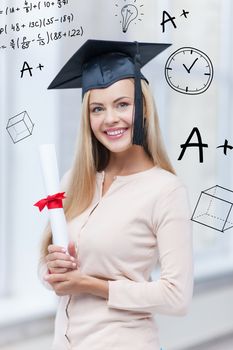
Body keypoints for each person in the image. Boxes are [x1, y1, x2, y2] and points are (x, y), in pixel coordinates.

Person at [38, 39, 194, 350]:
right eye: (98, 108)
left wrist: (91, 285)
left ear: (144, 107)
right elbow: (47, 270)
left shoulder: (164, 190)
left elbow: (177, 297)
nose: (110, 119)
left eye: (122, 104)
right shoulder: (75, 180)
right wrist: (53, 269)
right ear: (88, 117)